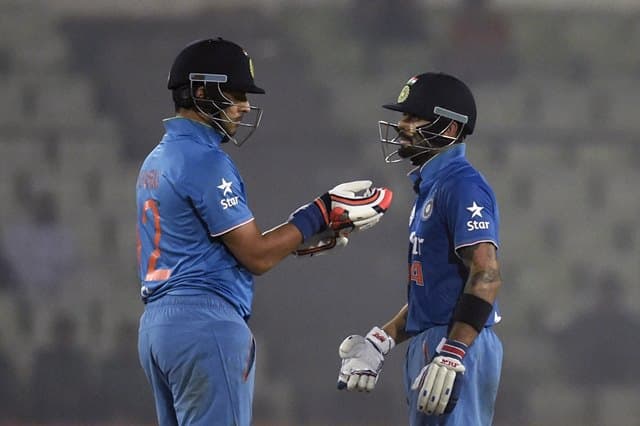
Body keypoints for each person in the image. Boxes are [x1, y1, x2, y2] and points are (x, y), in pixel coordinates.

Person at [135, 37, 392, 426]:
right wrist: (318, 213)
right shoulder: (205, 160)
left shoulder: (159, 157)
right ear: (201, 90)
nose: (243, 105)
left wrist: (296, 239)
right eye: (236, 93)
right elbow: (255, 255)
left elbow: (219, 246)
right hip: (206, 325)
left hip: (159, 326)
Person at [336, 72, 503, 425]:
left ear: (450, 129)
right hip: (441, 340)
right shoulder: (434, 186)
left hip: (456, 344)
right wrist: (381, 341)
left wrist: (454, 352)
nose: (402, 125)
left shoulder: (461, 184)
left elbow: (486, 272)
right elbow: (436, 295)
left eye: (414, 117)